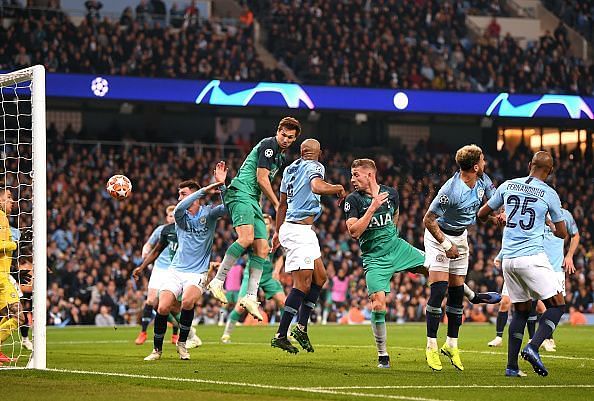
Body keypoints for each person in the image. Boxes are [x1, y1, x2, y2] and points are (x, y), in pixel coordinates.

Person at [478, 151, 568, 377]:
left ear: (529, 165)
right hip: (532, 258)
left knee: (520, 311)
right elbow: (562, 234)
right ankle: (533, 346)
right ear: (550, 171)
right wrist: (547, 222)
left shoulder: (508, 185)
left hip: (508, 260)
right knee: (557, 305)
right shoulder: (549, 193)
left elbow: (481, 214)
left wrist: (497, 219)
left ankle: (511, 367)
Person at [208, 117, 301, 321]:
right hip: (241, 193)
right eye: (283, 135)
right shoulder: (269, 145)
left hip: (253, 200)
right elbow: (261, 178)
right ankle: (217, 281)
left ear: (294, 139)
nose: (285, 139)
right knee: (247, 238)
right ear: (278, 131)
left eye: (290, 137)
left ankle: (250, 297)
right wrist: (277, 204)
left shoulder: (280, 157)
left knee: (262, 248)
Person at [423, 144, 503, 372]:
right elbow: (428, 220)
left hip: (461, 237)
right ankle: (431, 346)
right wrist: (446, 245)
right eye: (484, 160)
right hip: (439, 237)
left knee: (457, 294)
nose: (486, 163)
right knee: (439, 290)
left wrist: (499, 214)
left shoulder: (483, 180)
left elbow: (488, 207)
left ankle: (451, 345)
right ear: (476, 166)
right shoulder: (450, 191)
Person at [344, 158, 426, 368]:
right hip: (374, 259)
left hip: (397, 248)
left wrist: (390, 238)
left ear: (370, 175)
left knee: (437, 266)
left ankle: (472, 296)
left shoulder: (391, 194)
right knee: (378, 304)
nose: (352, 179)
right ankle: (383, 355)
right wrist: (371, 208)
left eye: (356, 175)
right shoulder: (353, 200)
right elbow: (353, 232)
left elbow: (395, 216)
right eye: (352, 175)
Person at [144, 162, 227, 361]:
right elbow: (181, 206)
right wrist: (208, 188)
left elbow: (228, 207)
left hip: (197, 272)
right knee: (162, 307)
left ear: (193, 195)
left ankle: (182, 344)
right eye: (180, 193)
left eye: (183, 193)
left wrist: (222, 186)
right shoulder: (180, 215)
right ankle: (157, 350)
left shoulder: (209, 213)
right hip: (176, 270)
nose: (179, 197)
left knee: (188, 302)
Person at [271, 139, 345, 353]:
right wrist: (338, 188)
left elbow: (282, 204)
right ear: (318, 152)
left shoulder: (289, 169)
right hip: (297, 231)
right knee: (302, 285)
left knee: (320, 278)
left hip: (298, 229)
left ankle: (301, 327)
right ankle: (281, 334)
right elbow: (317, 186)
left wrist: (277, 231)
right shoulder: (315, 166)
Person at [221, 214, 286, 344]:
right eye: (263, 223)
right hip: (250, 276)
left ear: (271, 225)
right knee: (240, 307)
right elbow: (239, 250)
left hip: (267, 276)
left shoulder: (274, 239)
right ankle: (226, 334)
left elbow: (280, 256)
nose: (265, 226)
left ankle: (285, 333)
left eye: (267, 223)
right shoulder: (252, 238)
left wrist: (276, 271)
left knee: (283, 302)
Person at [133, 205, 177, 345]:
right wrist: (145, 254)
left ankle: (175, 332)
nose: (172, 218)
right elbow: (148, 245)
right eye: (170, 215)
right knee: (151, 301)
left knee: (172, 306)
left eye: (174, 215)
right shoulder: (160, 230)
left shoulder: (182, 231)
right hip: (159, 269)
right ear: (166, 217)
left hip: (174, 270)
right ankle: (143, 332)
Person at [0, 188, 26, 364]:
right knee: (19, 317)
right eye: (8, 197)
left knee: (5, 316)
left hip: (5, 274)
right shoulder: (0, 217)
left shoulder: (4, 219)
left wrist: (16, 271)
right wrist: (16, 244)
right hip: (0, 277)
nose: (12, 201)